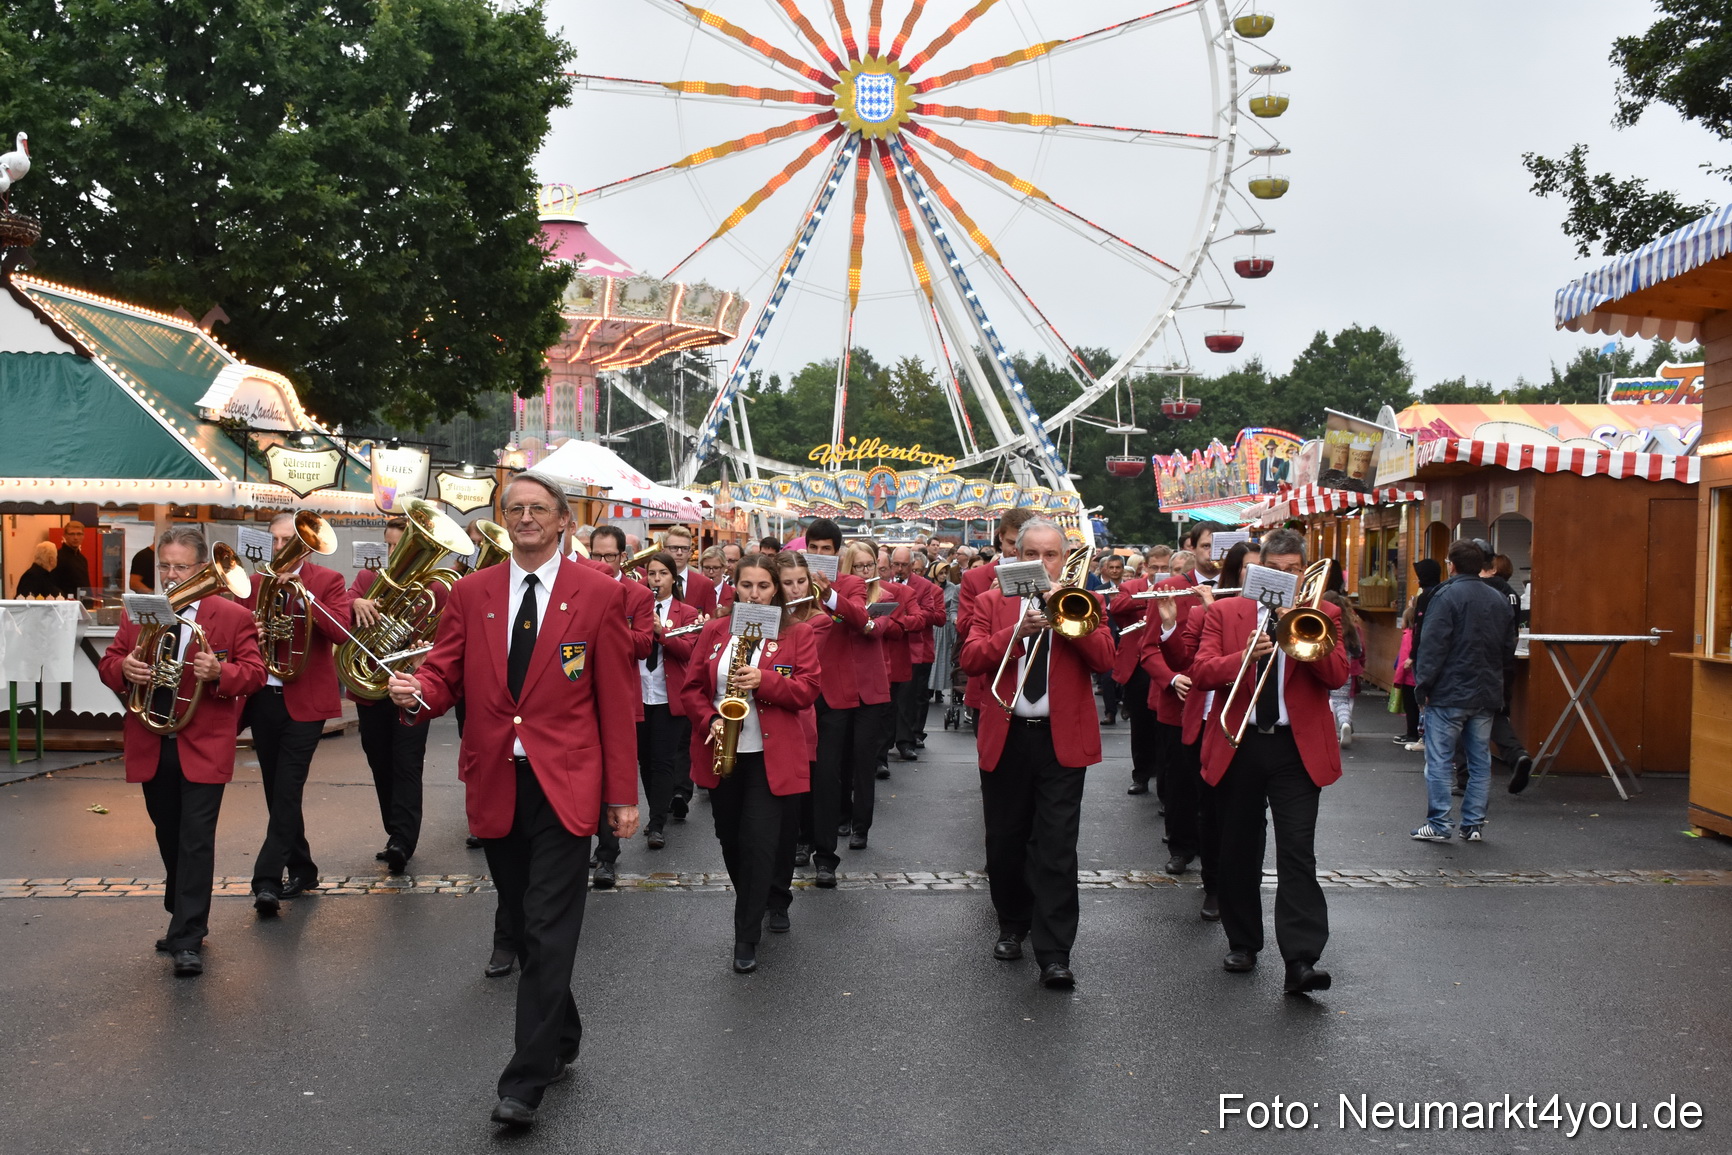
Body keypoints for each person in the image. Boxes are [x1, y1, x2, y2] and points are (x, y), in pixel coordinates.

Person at [387, 470, 639, 1129]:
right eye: (515, 508)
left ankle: (524, 1082)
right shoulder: (471, 593)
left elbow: (616, 701)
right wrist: (418, 692)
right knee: (530, 924)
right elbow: (444, 670)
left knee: (549, 925)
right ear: (504, 520)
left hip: (567, 784)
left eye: (539, 508)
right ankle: (563, 1032)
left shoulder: (600, 593)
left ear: (563, 521)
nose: (526, 517)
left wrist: (622, 795)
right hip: (496, 778)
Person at [98, 527, 267, 977]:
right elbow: (109, 662)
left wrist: (220, 672)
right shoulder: (140, 612)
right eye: (165, 566)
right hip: (152, 740)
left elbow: (254, 673)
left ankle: (189, 935)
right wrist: (124, 668)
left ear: (203, 569)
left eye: (180, 566)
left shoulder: (232, 615)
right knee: (168, 833)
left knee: (196, 839)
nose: (171, 575)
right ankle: (182, 915)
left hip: (203, 743)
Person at [1187, 528, 1347, 995]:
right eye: (1273, 570)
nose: (1283, 577)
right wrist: (1242, 658)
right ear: (1257, 573)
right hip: (1240, 741)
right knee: (1239, 847)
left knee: (1297, 850)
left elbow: (1337, 675)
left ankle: (1301, 959)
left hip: (1296, 748)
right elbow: (1201, 672)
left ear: (1304, 573)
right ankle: (1243, 942)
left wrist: (1295, 624)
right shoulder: (1225, 612)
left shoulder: (1324, 613)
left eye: (1292, 570)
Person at [960, 518, 1115, 990]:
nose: (1043, 563)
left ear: (1064, 560)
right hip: (1008, 735)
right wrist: (1016, 633)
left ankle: (1055, 953)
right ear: (1016, 557)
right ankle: (1012, 923)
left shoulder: (1084, 602)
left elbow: (1105, 659)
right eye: (1033, 554)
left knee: (1056, 846)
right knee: (1005, 841)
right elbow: (970, 659)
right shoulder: (992, 602)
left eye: (1051, 555)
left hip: (1060, 738)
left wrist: (1068, 618)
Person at [680, 553, 819, 973]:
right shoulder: (715, 629)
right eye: (746, 586)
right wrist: (710, 719)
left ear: (775, 589)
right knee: (731, 840)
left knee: (759, 843)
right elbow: (691, 690)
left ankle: (746, 935)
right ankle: (757, 900)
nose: (754, 594)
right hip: (722, 750)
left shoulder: (797, 633)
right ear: (734, 587)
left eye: (762, 586)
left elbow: (807, 691)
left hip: (769, 756)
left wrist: (765, 680)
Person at [239, 510, 354, 915]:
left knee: (287, 788)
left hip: (305, 700)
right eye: (274, 539)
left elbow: (341, 631)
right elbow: (236, 638)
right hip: (264, 697)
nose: (280, 547)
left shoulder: (327, 580)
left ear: (307, 546)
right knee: (277, 791)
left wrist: (305, 596)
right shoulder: (253, 583)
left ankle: (266, 880)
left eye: (289, 540)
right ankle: (303, 869)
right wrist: (252, 631)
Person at [1410, 539, 1516, 843]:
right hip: (1486, 691)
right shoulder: (1498, 599)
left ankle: (1439, 823)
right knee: (1480, 761)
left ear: (1452, 565)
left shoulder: (1445, 596)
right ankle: (1473, 824)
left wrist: (1423, 686)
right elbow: (1508, 647)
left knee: (1440, 760)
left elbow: (1433, 646)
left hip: (1448, 692)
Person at [347, 516, 435, 874]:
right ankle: (393, 832)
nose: (394, 552)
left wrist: (424, 653)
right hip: (371, 687)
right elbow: (342, 608)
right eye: (389, 546)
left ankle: (403, 840)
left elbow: (445, 638)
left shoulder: (433, 586)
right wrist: (355, 604)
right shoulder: (368, 579)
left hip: (411, 686)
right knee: (380, 761)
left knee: (407, 763)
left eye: (401, 546)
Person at [793, 521, 873, 880]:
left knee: (827, 776)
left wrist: (828, 595)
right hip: (797, 689)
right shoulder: (792, 581)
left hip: (833, 693)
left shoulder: (851, 583)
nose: (819, 554)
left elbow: (860, 619)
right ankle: (802, 839)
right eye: (814, 548)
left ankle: (826, 857)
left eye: (826, 549)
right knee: (801, 772)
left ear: (837, 553)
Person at [585, 525, 659, 887]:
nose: (601, 562)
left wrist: (609, 630)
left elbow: (644, 644)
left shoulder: (638, 594)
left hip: (618, 696)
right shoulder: (578, 586)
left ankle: (607, 856)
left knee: (612, 775)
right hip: (579, 695)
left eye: (609, 556)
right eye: (595, 555)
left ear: (623, 558)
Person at [838, 539, 901, 846]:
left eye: (869, 565)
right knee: (839, 759)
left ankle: (861, 826)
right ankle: (842, 815)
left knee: (864, 760)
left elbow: (873, 629)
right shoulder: (835, 598)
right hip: (839, 685)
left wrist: (858, 614)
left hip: (870, 689)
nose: (864, 571)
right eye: (858, 566)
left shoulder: (885, 597)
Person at [1482, 553, 1535, 792]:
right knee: (1497, 713)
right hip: (1502, 663)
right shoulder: (1512, 595)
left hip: (1476, 664)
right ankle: (1515, 754)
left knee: (1465, 717)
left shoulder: (1481, 591)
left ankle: (1466, 776)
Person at [891, 546, 945, 760]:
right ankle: (885, 743)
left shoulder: (924, 586)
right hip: (887, 648)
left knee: (909, 698)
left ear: (912, 565)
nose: (899, 569)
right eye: (896, 564)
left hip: (914, 648)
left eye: (904, 565)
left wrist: (905, 615)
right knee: (888, 700)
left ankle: (907, 740)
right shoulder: (883, 583)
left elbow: (933, 615)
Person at [1393, 559, 1441, 745]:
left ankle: (1421, 735)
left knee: (1420, 700)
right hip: (1435, 652)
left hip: (1423, 655)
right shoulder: (1441, 592)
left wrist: (1413, 656)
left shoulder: (1426, 597)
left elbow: (1420, 629)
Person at [1320, 561, 1364, 749]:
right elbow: (1358, 649)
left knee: (1325, 699)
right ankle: (1345, 722)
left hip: (1324, 663)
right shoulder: (1350, 625)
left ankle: (1329, 729)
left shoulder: (1321, 623)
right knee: (1342, 700)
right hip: (1345, 666)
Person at [1089, 554, 1126, 725]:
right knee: (1107, 675)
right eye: (1111, 567)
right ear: (1106, 569)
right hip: (1108, 636)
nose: (1114, 571)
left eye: (1118, 567)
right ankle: (1110, 712)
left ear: (1122, 569)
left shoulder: (1129, 588)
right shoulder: (1099, 590)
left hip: (1126, 636)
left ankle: (1126, 703)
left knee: (1127, 674)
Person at [662, 525, 718, 615]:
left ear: (690, 553)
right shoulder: (648, 583)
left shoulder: (705, 584)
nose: (679, 553)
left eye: (684, 548)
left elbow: (712, 619)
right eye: (674, 548)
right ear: (663, 551)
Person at [54, 519, 92, 597]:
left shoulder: (82, 559)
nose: (75, 537)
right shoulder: (57, 557)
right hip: (66, 602)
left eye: (79, 534)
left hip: (83, 601)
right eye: (72, 534)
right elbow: (54, 586)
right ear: (65, 536)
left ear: (83, 536)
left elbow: (86, 586)